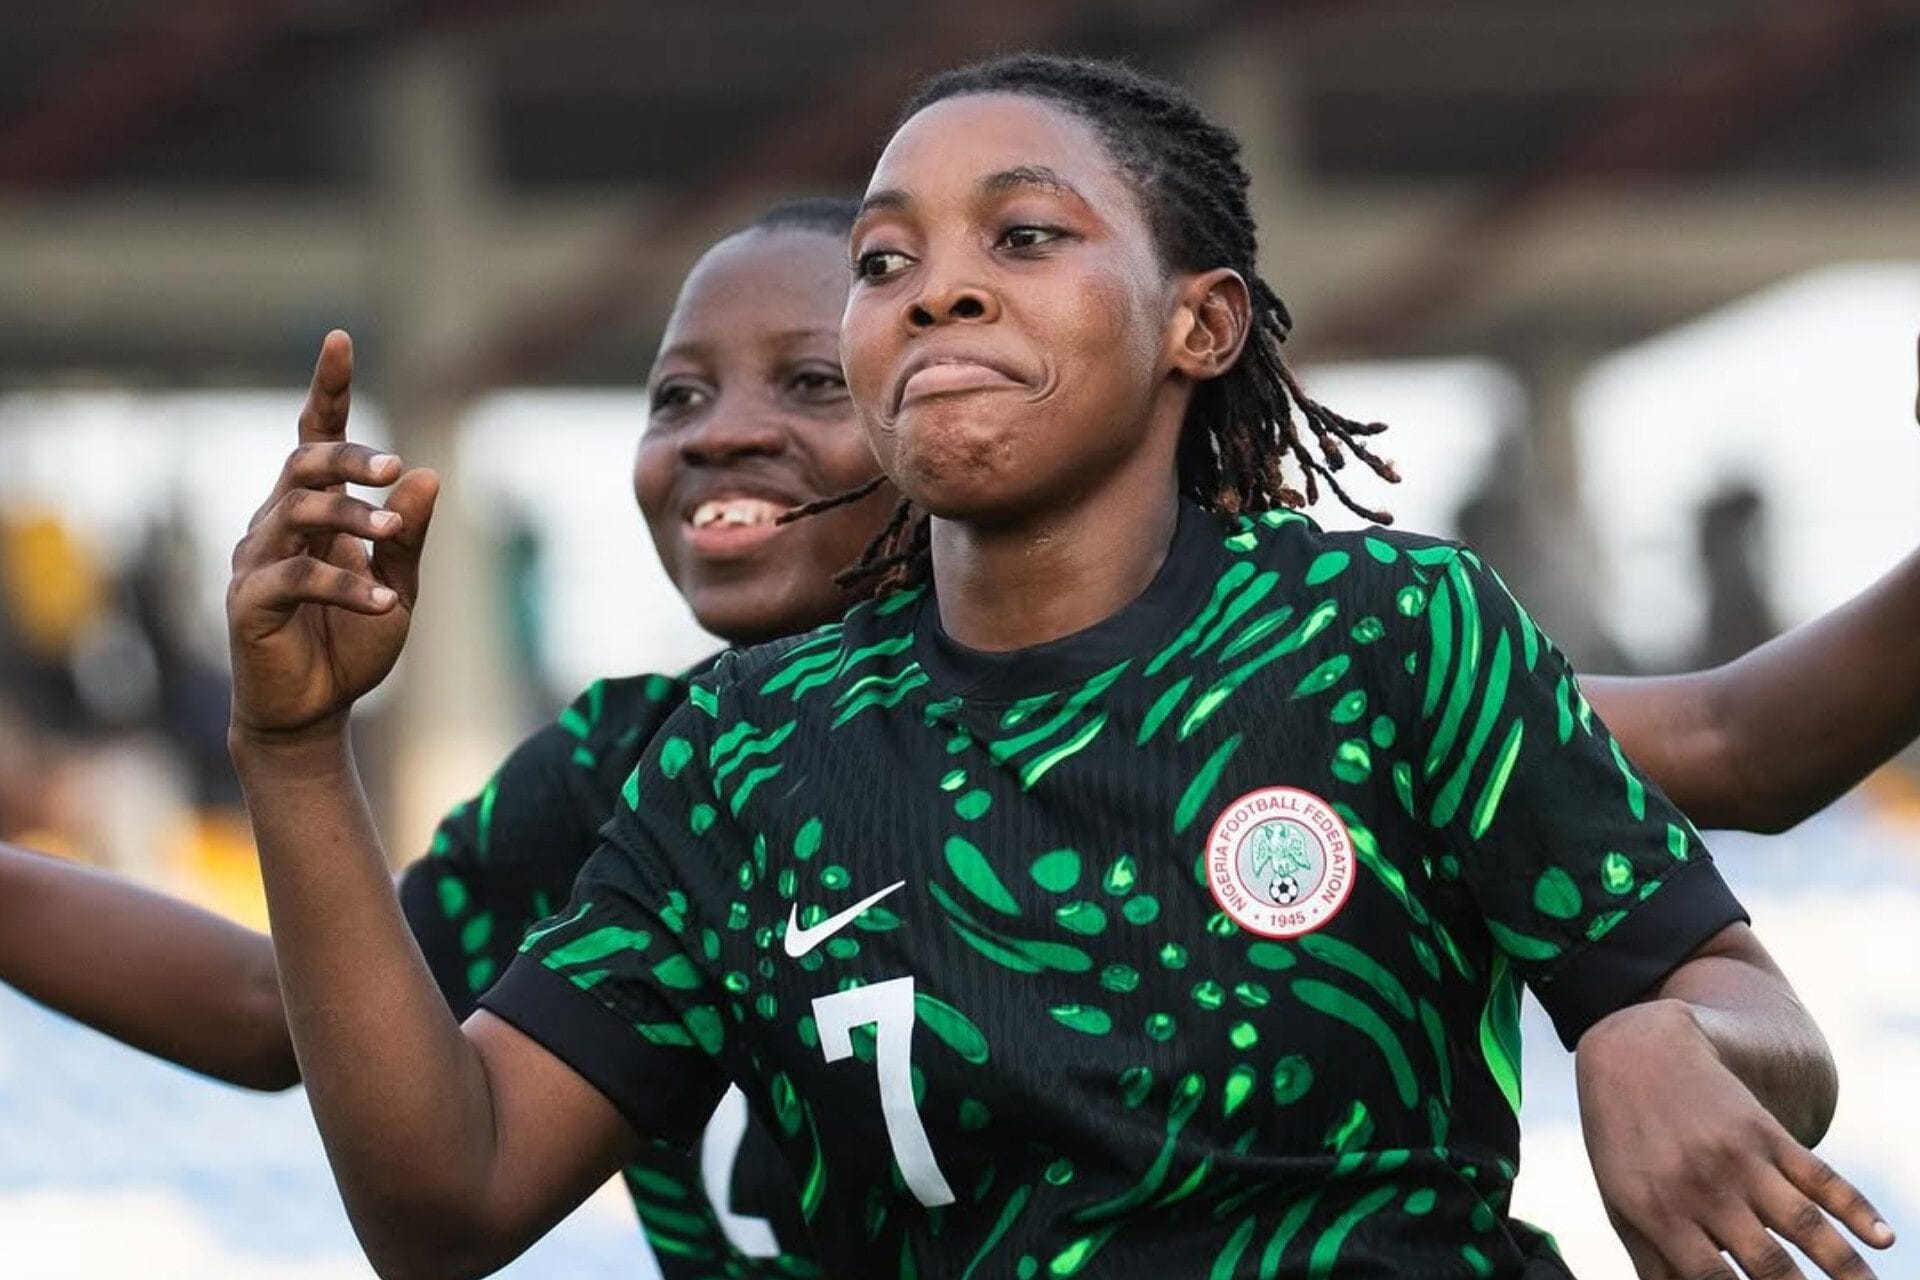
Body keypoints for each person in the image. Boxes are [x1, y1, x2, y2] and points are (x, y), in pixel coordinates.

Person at [221, 55, 1899, 1280]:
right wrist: (296, 755)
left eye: (1023, 238)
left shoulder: (1389, 633)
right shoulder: (742, 755)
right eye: (885, 263)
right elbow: (447, 1202)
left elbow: (1753, 1010)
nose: (937, 287)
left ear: (1202, 326)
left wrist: (1657, 1042)